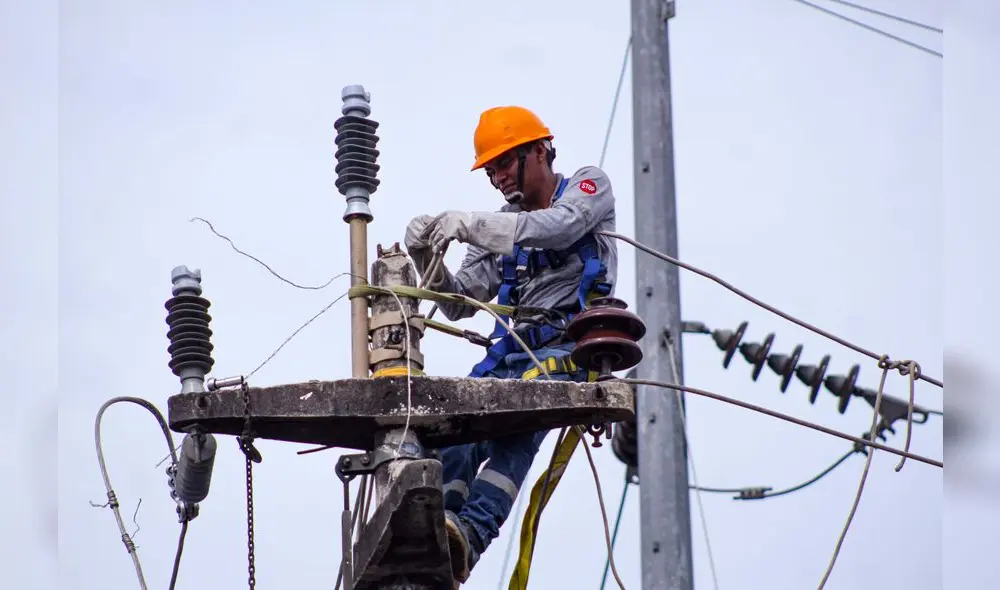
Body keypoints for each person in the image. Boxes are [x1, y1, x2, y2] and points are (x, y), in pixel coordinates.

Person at [403, 105, 618, 587]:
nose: (497, 178)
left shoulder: (588, 186)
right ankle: (444, 534)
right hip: (511, 354)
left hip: (566, 352)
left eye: (503, 163)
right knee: (455, 428)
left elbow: (560, 226)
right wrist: (424, 257)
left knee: (515, 432)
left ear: (539, 151)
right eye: (491, 170)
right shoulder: (500, 225)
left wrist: (470, 225)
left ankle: (472, 533)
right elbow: (460, 302)